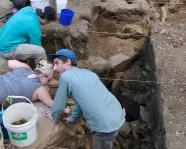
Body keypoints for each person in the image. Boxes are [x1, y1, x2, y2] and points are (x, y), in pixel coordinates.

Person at [46, 49, 126, 149]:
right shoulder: (88, 73)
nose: (54, 68)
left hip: (104, 124)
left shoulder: (65, 77)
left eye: (57, 63)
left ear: (68, 62)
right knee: (109, 141)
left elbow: (59, 104)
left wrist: (53, 116)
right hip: (117, 113)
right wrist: (73, 118)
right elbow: (83, 102)